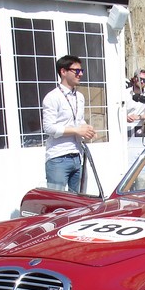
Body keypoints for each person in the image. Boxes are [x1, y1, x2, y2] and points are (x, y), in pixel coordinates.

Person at [41, 55, 96, 192]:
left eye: (81, 71)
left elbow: (78, 120)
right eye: (76, 71)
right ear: (63, 71)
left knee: (79, 200)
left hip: (77, 156)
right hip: (58, 157)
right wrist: (76, 130)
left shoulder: (79, 97)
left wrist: (87, 129)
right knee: (57, 201)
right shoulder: (52, 97)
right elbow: (49, 128)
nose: (80, 74)